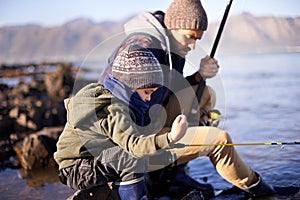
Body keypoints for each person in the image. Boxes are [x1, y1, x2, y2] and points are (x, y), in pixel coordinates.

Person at [98, 0, 276, 199]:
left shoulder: (172, 48)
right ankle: (261, 190)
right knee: (219, 140)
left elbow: (166, 90)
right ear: (173, 26)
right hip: (130, 139)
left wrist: (198, 76)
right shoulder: (141, 46)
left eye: (197, 40)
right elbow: (112, 98)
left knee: (206, 93)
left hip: (151, 120)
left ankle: (175, 173)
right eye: (190, 37)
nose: (193, 46)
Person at [54, 44, 189, 199]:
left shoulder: (113, 97)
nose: (149, 98)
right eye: (147, 92)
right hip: (75, 170)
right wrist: (171, 137)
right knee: (132, 157)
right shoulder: (113, 108)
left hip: (87, 161)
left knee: (140, 156)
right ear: (131, 86)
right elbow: (134, 146)